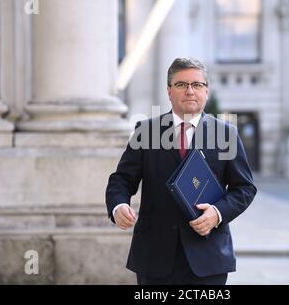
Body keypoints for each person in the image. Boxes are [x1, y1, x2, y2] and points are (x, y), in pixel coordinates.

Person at [105, 57, 257, 285]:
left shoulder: (226, 135)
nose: (190, 91)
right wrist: (118, 205)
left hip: (208, 255)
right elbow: (122, 180)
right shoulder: (146, 131)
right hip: (154, 255)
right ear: (169, 91)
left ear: (206, 91)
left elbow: (244, 188)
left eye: (197, 85)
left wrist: (217, 213)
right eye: (181, 84)